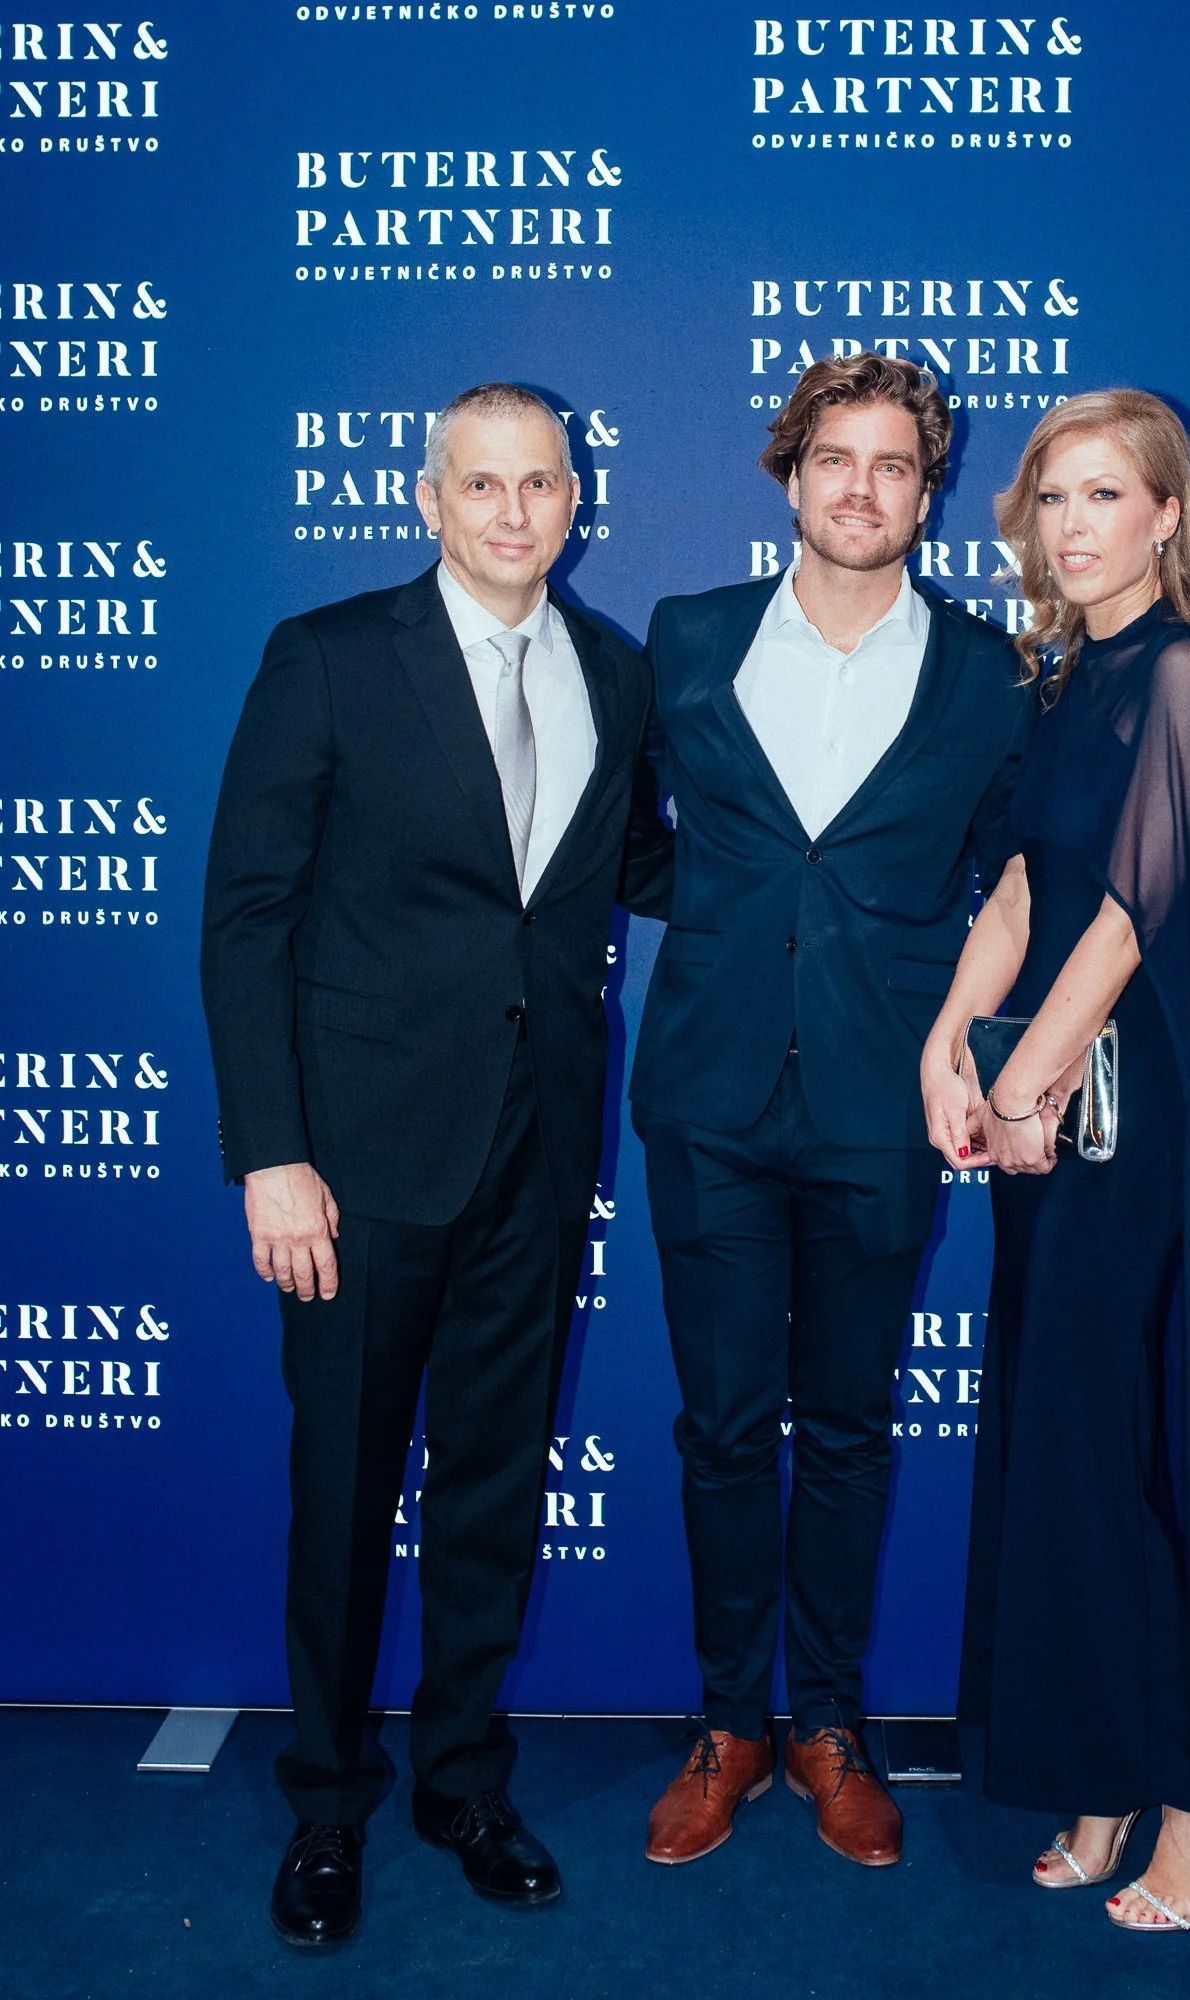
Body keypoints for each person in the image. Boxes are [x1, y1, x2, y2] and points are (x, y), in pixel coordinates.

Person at [200, 382, 672, 1947]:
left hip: (536, 1157)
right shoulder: (329, 658)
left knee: (491, 1488)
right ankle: (326, 1804)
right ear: (428, 498)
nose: (517, 512)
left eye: (542, 483)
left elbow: (659, 864)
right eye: (485, 484)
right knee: (341, 1494)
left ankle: (462, 1779)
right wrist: (273, 1156)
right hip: (360, 1165)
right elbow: (246, 919)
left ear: (572, 499)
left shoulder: (613, 671)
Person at [632, 355, 1033, 1868]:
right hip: (712, 1102)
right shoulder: (686, 641)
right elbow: (622, 840)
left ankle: (829, 1726)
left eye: (894, 467)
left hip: (887, 1104)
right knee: (724, 1430)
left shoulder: (997, 675)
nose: (862, 489)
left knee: (852, 1429)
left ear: (929, 496)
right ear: (788, 475)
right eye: (834, 460)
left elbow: (1013, 875)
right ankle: (729, 1724)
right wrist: (749, 925)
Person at [920, 390, 1190, 1933]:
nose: (1071, 526)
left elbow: (1132, 914)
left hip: (1120, 1119)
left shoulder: (1185, 671)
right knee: (1065, 1451)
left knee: (1125, 1450)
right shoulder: (1059, 678)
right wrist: (951, 1040)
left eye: (1105, 496)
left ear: (1168, 517)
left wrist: (1025, 1081)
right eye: (1052, 499)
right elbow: (1019, 887)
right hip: (1044, 1110)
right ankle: (1110, 1767)